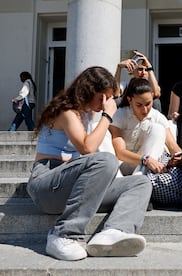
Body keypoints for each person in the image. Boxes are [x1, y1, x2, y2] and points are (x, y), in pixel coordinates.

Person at [26, 66, 152, 261]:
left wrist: (134, 76)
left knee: (141, 183)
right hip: (47, 185)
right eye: (102, 97)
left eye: (108, 99)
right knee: (106, 160)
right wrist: (107, 116)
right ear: (89, 90)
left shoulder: (86, 114)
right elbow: (87, 148)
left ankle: (114, 231)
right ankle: (63, 234)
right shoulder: (66, 111)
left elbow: (117, 95)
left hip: (74, 188)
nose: (104, 104)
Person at [109, 78, 182, 206]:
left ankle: (136, 185)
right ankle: (136, 186)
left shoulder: (157, 117)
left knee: (158, 129)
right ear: (130, 100)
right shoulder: (120, 115)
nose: (145, 110)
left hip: (147, 170)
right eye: (139, 105)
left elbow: (174, 148)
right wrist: (145, 160)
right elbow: (120, 153)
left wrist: (177, 159)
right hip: (125, 165)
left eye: (148, 104)